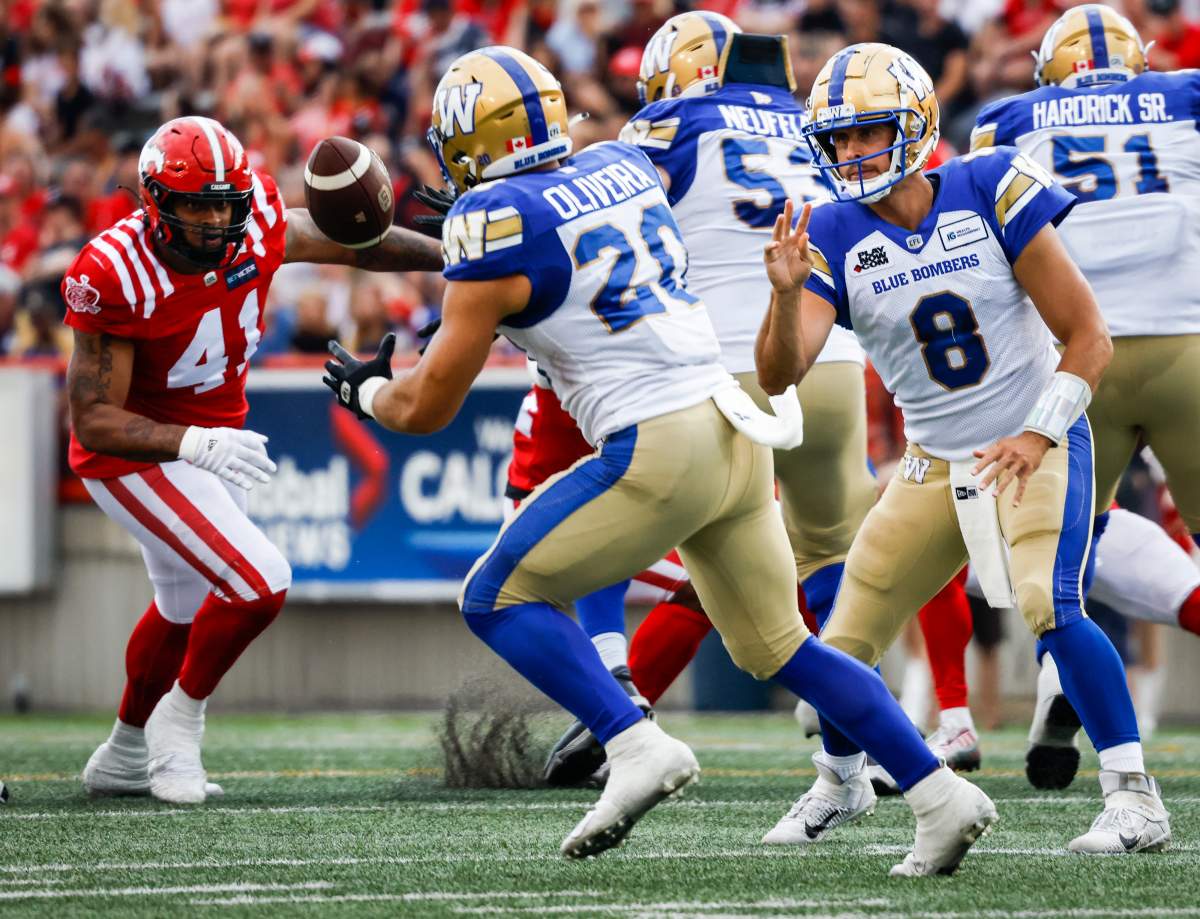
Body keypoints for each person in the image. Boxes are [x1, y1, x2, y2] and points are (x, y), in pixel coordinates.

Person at [324, 44, 995, 873]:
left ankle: (633, 740)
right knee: (782, 648)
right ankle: (938, 793)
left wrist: (364, 393)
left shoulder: (491, 221)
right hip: (733, 423)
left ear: (467, 142)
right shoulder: (616, 162)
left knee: (495, 594)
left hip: (657, 440)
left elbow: (425, 406)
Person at [760, 41, 1169, 855]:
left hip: (1033, 431)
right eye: (836, 140)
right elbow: (780, 370)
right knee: (844, 634)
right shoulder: (835, 232)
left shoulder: (989, 185)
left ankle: (1134, 795)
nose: (848, 153)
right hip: (931, 456)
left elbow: (1089, 338)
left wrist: (1039, 430)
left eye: (865, 132)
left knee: (1049, 603)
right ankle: (840, 781)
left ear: (916, 126)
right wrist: (781, 296)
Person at [66, 116, 443, 805]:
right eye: (195, 205)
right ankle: (178, 722)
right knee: (260, 578)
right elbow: (94, 418)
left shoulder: (258, 220)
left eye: (223, 204)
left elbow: (356, 243)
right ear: (154, 201)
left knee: (180, 605)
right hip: (132, 452)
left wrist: (457, 256)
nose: (213, 221)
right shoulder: (115, 270)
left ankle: (122, 752)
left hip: (213, 439)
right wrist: (189, 442)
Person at [970, 3, 1200, 791]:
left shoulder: (1007, 119)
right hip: (1187, 343)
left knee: (1065, 545)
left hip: (1075, 354)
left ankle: (1055, 685)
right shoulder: (1186, 95)